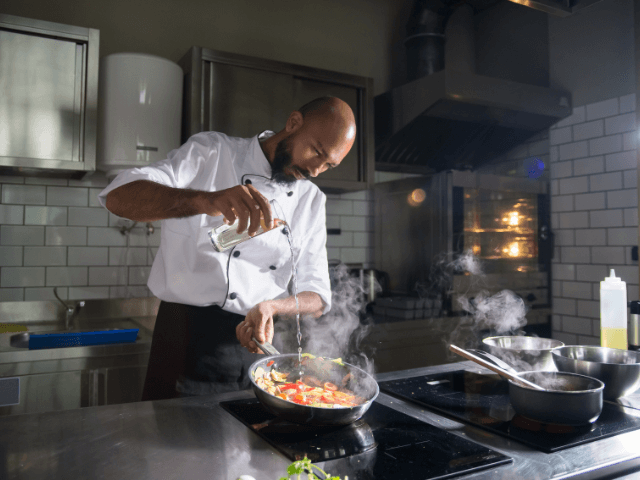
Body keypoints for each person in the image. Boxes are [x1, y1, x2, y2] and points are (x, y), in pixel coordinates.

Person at [98, 96, 356, 400]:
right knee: (169, 441)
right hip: (183, 338)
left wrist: (273, 306)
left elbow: (317, 295)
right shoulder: (212, 153)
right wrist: (205, 201)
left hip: (254, 347)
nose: (316, 170)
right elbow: (117, 197)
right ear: (293, 123)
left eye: (328, 164)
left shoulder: (311, 200)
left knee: (246, 445)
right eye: (316, 151)